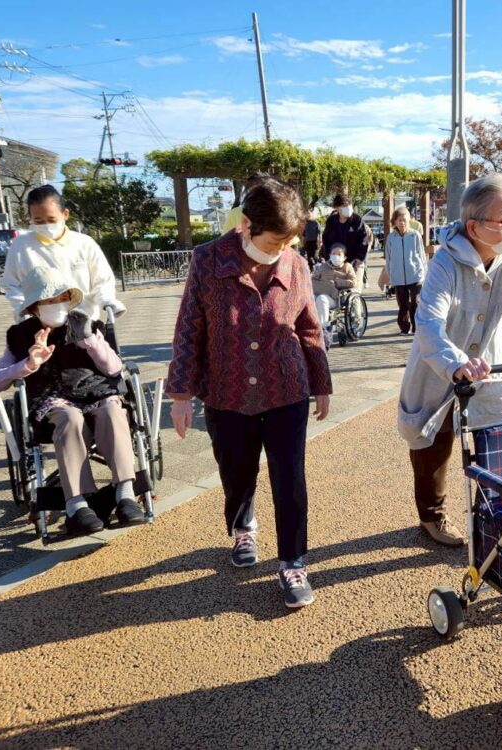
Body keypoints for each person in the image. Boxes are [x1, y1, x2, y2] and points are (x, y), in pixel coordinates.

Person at [166, 177, 332, 609]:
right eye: (275, 240)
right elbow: (188, 329)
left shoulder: (296, 264)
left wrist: (321, 383)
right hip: (226, 391)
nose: (281, 249)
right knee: (237, 471)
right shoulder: (207, 260)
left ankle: (293, 561)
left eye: (289, 240)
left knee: (289, 478)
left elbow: (310, 326)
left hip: (286, 387)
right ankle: (244, 528)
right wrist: (180, 394)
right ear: (246, 224)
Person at [397, 173, 502, 546]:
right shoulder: (445, 262)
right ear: (474, 226)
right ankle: (431, 516)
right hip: (439, 366)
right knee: (432, 443)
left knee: (495, 443)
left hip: (490, 365)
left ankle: (492, 517)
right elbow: (428, 323)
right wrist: (455, 364)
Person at [0, 267, 144, 535]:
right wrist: (29, 363)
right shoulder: (21, 334)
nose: (56, 304)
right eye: (48, 300)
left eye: (61, 298)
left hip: (96, 392)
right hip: (53, 400)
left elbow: (115, 369)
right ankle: (76, 505)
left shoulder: (87, 324)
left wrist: (90, 341)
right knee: (70, 418)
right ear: (35, 307)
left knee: (112, 410)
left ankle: (126, 495)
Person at [3, 186, 125, 323]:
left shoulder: (84, 243)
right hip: (40, 325)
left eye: (51, 219)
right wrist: (21, 308)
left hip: (84, 322)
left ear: (65, 214)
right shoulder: (21, 246)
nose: (46, 225)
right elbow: (12, 284)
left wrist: (107, 300)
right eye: (39, 221)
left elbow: (102, 279)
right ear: (30, 218)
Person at [384, 206, 427, 335]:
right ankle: (404, 327)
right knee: (402, 305)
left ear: (409, 221)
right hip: (398, 277)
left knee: (415, 303)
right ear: (395, 222)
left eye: (405, 220)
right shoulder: (391, 238)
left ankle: (416, 328)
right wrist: (391, 276)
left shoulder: (415, 235)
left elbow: (422, 255)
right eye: (399, 220)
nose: (402, 223)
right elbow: (388, 258)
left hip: (415, 274)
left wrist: (424, 273)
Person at [311, 243, 358, 347]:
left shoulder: (347, 267)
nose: (336, 256)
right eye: (333, 253)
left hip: (336, 298)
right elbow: (313, 280)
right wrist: (327, 286)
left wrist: (338, 282)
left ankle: (323, 332)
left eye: (339, 254)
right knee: (310, 299)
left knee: (321, 299)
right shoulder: (323, 266)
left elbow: (354, 282)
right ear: (330, 255)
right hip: (321, 292)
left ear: (344, 257)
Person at [323, 193, 367, 281]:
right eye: (344, 205)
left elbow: (363, 240)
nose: (348, 207)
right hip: (336, 262)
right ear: (337, 208)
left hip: (354, 261)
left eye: (349, 204)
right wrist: (328, 257)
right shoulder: (331, 221)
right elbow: (326, 240)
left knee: (354, 289)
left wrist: (359, 258)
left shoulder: (357, 220)